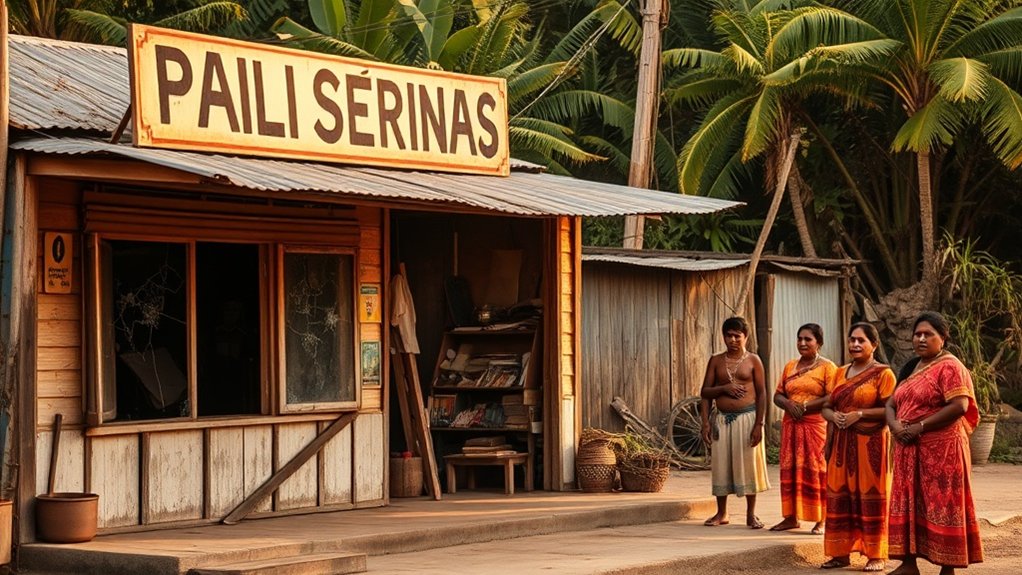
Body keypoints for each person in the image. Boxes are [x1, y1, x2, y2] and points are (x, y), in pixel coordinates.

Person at [886, 311, 984, 575]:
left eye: (928, 334)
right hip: (908, 448)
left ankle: (947, 568)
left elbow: (960, 405)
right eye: (917, 334)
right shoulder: (912, 367)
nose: (920, 338)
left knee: (944, 504)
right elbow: (891, 403)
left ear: (943, 338)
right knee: (909, 502)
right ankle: (908, 564)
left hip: (943, 450)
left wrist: (919, 427)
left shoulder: (951, 366)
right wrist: (895, 426)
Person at [821, 322, 895, 572]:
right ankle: (839, 553)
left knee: (870, 495)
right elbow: (827, 406)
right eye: (852, 339)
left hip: (871, 445)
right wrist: (834, 417)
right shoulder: (840, 373)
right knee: (840, 495)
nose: (854, 344)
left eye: (861, 340)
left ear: (874, 345)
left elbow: (890, 410)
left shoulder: (884, 374)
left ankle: (876, 554)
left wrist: (859, 414)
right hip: (841, 444)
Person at [699, 316, 770, 529]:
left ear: (745, 337)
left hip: (747, 419)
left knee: (748, 465)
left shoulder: (753, 360)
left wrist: (759, 424)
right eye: (728, 335)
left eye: (737, 336)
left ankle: (751, 515)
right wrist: (706, 422)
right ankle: (721, 513)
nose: (732, 340)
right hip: (721, 420)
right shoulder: (716, 360)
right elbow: (704, 392)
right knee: (721, 466)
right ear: (723, 336)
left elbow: (762, 393)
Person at [770, 323, 838, 535]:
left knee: (817, 471)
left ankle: (821, 519)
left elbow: (833, 397)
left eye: (808, 339)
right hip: (791, 426)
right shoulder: (790, 366)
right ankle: (791, 517)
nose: (802, 343)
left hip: (815, 427)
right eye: (799, 339)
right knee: (790, 470)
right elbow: (778, 395)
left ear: (819, 342)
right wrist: (788, 404)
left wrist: (805, 406)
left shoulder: (828, 367)